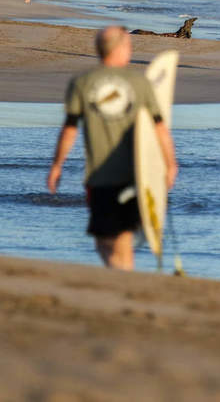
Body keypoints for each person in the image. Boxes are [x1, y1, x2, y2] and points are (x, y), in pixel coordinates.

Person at [47, 26, 177, 270]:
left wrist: (56, 166)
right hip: (132, 175)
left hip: (102, 178)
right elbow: (160, 128)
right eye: (128, 44)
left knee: (114, 241)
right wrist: (170, 164)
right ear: (121, 48)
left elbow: (69, 130)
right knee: (110, 242)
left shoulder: (82, 83)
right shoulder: (140, 83)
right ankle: (123, 280)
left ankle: (123, 286)